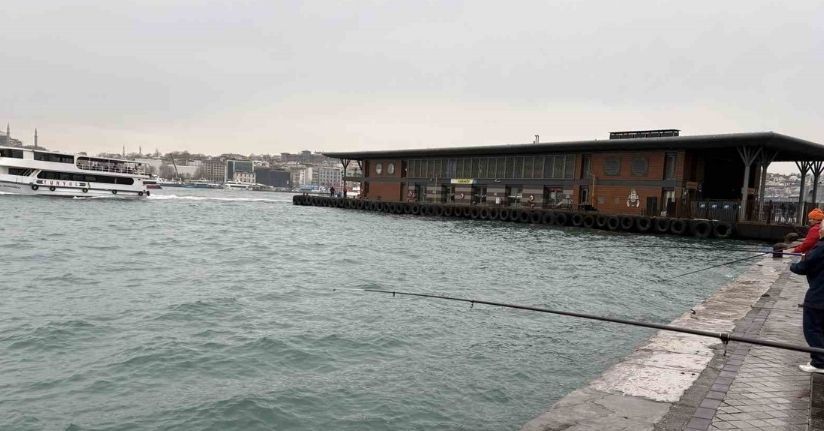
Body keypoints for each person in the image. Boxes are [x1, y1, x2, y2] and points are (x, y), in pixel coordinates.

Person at [790, 226, 824, 373]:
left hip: (818, 295)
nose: (819, 229)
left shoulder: (821, 247)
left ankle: (819, 363)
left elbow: (803, 267)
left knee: (812, 328)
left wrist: (793, 265)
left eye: (822, 227)